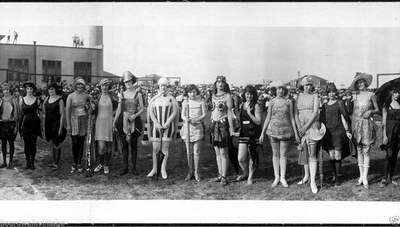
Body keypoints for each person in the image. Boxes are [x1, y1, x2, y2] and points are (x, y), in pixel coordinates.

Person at [260, 81, 299, 187]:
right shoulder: (271, 102)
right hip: (273, 131)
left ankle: (283, 177)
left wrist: (295, 133)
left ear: (285, 90)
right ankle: (276, 176)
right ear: (275, 90)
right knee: (275, 154)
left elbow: (291, 117)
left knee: (283, 154)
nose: (280, 90)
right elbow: (268, 117)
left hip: (286, 131)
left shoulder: (288, 102)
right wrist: (262, 133)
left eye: (282, 88)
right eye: (278, 88)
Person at [348, 72, 379, 189]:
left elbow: (377, 109)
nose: (360, 84)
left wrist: (370, 112)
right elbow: (350, 111)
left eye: (361, 82)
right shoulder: (354, 96)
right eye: (358, 83)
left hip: (366, 124)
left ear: (365, 83)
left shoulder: (371, 95)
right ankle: (360, 176)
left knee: (366, 151)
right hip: (356, 125)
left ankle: (365, 177)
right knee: (359, 150)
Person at [294, 76, 323, 194]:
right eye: (306, 85)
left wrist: (306, 126)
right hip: (301, 127)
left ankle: (312, 182)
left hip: (311, 126)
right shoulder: (298, 97)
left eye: (310, 85)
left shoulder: (315, 96)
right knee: (304, 152)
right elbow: (295, 113)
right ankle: (306, 176)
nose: (308, 87)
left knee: (312, 153)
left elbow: (315, 112)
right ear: (302, 86)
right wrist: (300, 127)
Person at [319, 83, 352, 186]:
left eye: (333, 92)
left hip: (339, 132)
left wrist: (348, 130)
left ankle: (337, 177)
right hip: (328, 134)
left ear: (336, 93)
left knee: (338, 155)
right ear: (327, 93)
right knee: (332, 156)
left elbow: (347, 117)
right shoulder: (324, 105)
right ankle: (334, 175)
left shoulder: (340, 103)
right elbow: (321, 120)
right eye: (330, 92)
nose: (332, 94)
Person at [113, 71, 144, 176]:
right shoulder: (121, 95)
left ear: (132, 81)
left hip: (134, 120)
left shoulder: (138, 94)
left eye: (129, 81)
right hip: (124, 121)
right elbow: (118, 109)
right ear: (124, 83)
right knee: (124, 145)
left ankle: (134, 167)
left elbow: (142, 108)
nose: (128, 83)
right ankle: (125, 167)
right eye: (126, 82)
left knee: (134, 146)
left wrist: (135, 115)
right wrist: (114, 121)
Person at [147, 77, 178, 179]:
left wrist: (168, 122)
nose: (163, 87)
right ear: (159, 86)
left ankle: (163, 169)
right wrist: (156, 123)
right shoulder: (154, 98)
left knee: (165, 148)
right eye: (161, 85)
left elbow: (174, 112)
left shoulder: (171, 98)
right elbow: (151, 111)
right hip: (156, 127)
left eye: (165, 85)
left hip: (167, 127)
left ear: (167, 86)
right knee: (155, 149)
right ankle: (154, 169)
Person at [210, 75, 235, 185]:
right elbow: (213, 110)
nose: (220, 84)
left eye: (222, 82)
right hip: (214, 125)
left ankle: (224, 176)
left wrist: (231, 128)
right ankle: (220, 174)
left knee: (223, 152)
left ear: (225, 84)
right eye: (218, 82)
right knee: (217, 152)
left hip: (223, 125)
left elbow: (229, 113)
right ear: (215, 83)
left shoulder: (228, 96)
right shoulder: (213, 96)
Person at [235, 85, 262, 185]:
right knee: (241, 158)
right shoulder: (242, 105)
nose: (249, 96)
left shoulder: (256, 105)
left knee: (252, 156)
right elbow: (241, 120)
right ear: (244, 94)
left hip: (253, 133)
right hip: (243, 133)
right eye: (247, 94)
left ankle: (250, 177)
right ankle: (245, 173)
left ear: (254, 95)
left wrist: (250, 114)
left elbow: (259, 122)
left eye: (251, 94)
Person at [180, 84, 206, 182]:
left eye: (194, 92)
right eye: (190, 92)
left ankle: (196, 172)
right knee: (189, 152)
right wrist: (186, 118)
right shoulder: (185, 102)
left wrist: (196, 119)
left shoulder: (201, 101)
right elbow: (182, 114)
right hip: (187, 127)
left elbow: (204, 115)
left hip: (197, 127)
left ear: (197, 92)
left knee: (196, 151)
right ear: (187, 93)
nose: (192, 94)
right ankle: (190, 172)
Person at [92, 78, 117, 174]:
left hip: (109, 123)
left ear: (108, 87)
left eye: (106, 85)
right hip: (99, 123)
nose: (105, 87)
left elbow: (119, 106)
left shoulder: (112, 96)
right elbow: (93, 110)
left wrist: (113, 115)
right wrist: (92, 109)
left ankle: (106, 165)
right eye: (103, 85)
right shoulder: (97, 97)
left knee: (109, 146)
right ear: (100, 87)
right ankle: (100, 163)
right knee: (101, 147)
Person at [66, 77, 89, 173]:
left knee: (81, 142)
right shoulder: (70, 96)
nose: (80, 86)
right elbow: (67, 110)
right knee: (75, 143)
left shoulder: (87, 95)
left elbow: (93, 104)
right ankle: (74, 162)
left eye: (81, 84)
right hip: (73, 120)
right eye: (78, 84)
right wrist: (68, 124)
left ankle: (79, 163)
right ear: (75, 85)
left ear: (83, 86)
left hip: (83, 121)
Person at [43, 82, 66, 170]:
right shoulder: (47, 98)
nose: (51, 91)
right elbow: (44, 106)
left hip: (56, 124)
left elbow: (62, 115)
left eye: (52, 89)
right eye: (49, 89)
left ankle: (56, 164)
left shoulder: (60, 100)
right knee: (52, 142)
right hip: (49, 123)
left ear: (56, 89)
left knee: (57, 143)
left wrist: (60, 127)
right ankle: (54, 161)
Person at [380, 87, 400, 187]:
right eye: (395, 92)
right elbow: (383, 122)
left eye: (398, 93)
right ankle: (384, 178)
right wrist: (384, 135)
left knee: (395, 155)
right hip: (389, 131)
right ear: (392, 93)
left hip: (399, 133)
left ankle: (391, 177)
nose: (397, 95)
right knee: (389, 154)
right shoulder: (386, 105)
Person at [19, 81, 42, 170]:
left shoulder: (37, 100)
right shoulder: (22, 100)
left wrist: (41, 125)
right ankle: (27, 161)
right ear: (25, 89)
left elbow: (40, 113)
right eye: (27, 88)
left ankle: (32, 162)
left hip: (34, 124)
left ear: (33, 90)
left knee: (33, 143)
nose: (29, 90)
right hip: (25, 124)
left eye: (31, 88)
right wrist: (20, 126)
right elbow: (21, 113)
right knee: (26, 143)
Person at [0, 83, 20, 169]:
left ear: (9, 90)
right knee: (3, 143)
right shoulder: (1, 100)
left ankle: (10, 161)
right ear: (2, 91)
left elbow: (17, 113)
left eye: (7, 89)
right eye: (4, 90)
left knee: (11, 143)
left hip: (11, 124)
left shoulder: (14, 100)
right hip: (2, 124)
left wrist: (16, 124)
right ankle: (4, 161)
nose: (6, 91)